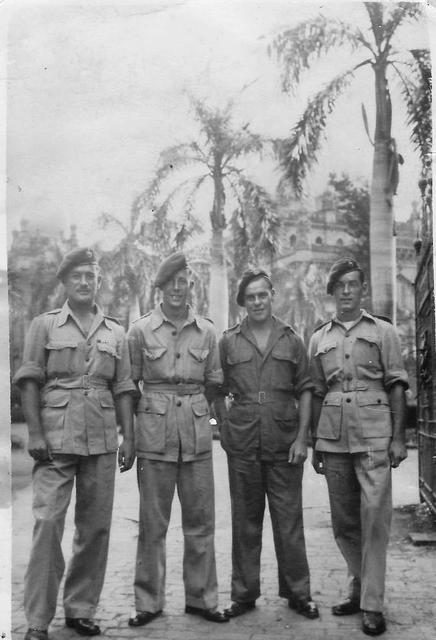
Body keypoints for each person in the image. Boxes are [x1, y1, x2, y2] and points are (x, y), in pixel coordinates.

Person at [13, 247, 136, 640]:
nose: (85, 282)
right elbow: (30, 379)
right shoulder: (44, 326)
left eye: (91, 276)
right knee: (47, 523)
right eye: (77, 276)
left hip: (100, 439)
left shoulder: (115, 331)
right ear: (65, 282)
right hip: (55, 440)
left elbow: (123, 388)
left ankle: (80, 609)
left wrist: (128, 437)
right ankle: (37, 619)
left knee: (95, 528)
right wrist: (34, 432)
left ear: (99, 281)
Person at [127, 252, 228, 627]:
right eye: (169, 283)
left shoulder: (207, 331)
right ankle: (148, 603)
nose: (176, 289)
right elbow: (128, 386)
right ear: (160, 287)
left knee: (201, 521)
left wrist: (219, 424)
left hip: (197, 433)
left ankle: (202, 599)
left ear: (190, 285)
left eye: (182, 282)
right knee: (153, 523)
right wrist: (132, 436)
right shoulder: (139, 331)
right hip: (155, 431)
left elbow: (215, 383)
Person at [308, 257, 408, 637]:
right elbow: (316, 391)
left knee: (375, 520)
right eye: (340, 286)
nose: (347, 291)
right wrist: (317, 442)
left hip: (374, 435)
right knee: (345, 521)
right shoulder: (319, 338)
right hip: (334, 438)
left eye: (353, 284)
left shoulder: (383, 332)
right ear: (332, 292)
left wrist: (398, 437)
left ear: (361, 289)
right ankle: (358, 585)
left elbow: (397, 383)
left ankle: (372, 604)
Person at [215, 269, 319, 620]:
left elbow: (305, 388)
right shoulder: (229, 341)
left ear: (272, 295)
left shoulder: (291, 339)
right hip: (243, 441)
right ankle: (244, 595)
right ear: (242, 302)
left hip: (284, 440)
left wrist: (303, 437)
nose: (257, 302)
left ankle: (298, 593)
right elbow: (215, 389)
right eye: (250, 297)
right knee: (245, 521)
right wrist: (224, 428)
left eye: (263, 295)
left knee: (289, 521)